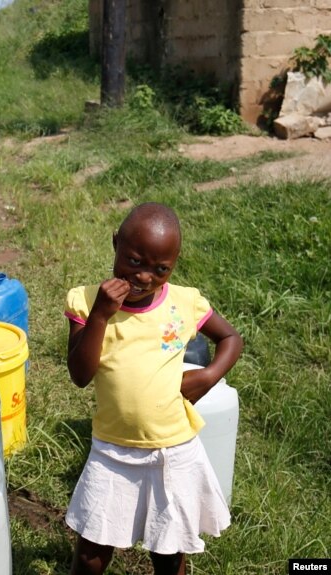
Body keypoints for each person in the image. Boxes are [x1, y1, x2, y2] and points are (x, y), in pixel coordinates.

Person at [63, 202, 243, 574]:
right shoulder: (84, 301)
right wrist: (100, 315)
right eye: (134, 262)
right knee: (91, 551)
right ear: (115, 244)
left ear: (174, 265)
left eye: (161, 269)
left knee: (170, 549)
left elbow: (230, 338)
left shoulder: (184, 302)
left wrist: (209, 376)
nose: (145, 277)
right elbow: (80, 374)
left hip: (173, 451)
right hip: (112, 451)